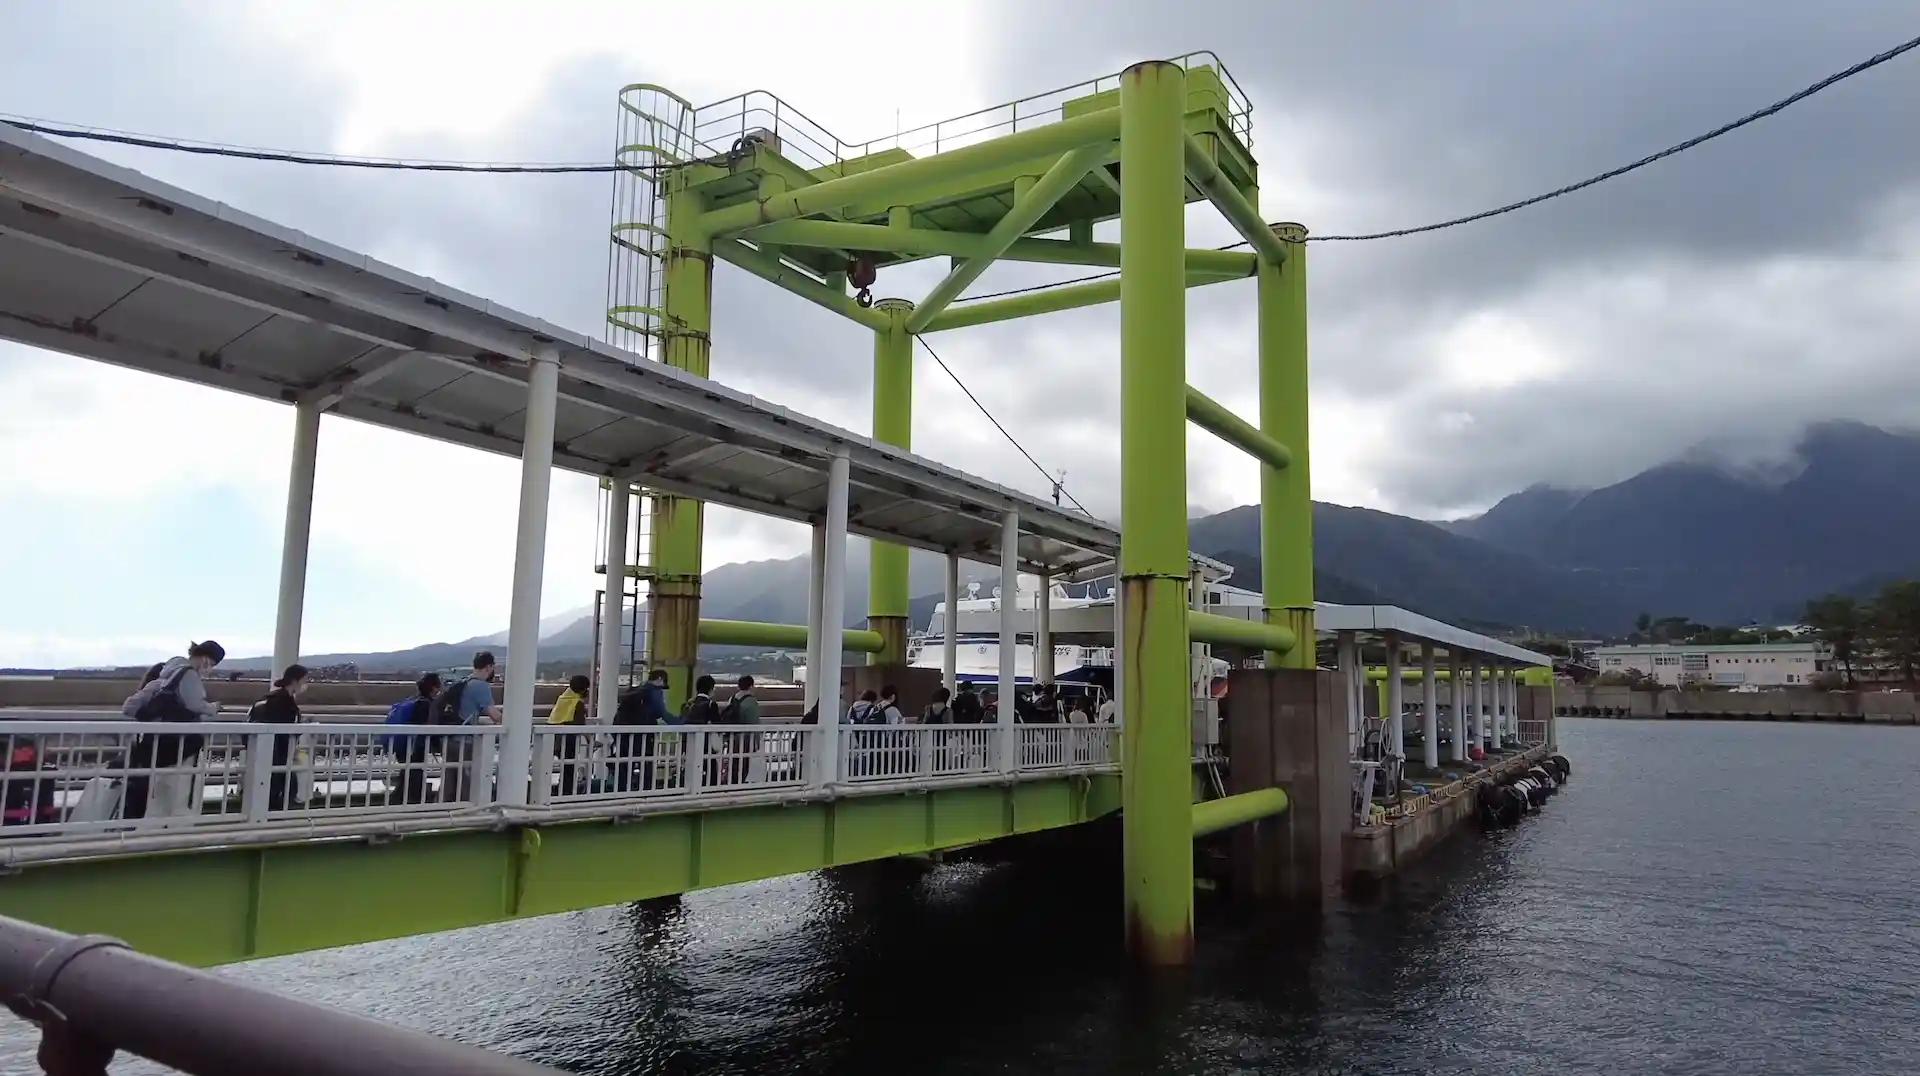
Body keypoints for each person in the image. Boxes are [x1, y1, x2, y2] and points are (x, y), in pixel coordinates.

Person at [121, 640, 226, 820]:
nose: (210, 669)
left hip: (157, 747)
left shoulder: (164, 677)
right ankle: (177, 837)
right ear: (205, 659)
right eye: (213, 664)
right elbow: (195, 705)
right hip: (182, 748)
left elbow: (129, 707)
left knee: (157, 798)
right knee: (180, 798)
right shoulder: (189, 675)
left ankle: (147, 838)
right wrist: (213, 708)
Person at [246, 664, 309, 813]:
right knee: (285, 786)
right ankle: (277, 817)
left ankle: (267, 815)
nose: (306, 685)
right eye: (305, 680)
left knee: (271, 787)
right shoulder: (285, 702)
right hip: (279, 752)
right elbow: (285, 726)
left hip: (264, 751)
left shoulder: (269, 698)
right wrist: (300, 726)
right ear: (295, 681)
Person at [440, 651, 501, 803]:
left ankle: (442, 811)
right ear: (489, 667)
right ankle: (468, 812)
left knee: (450, 779)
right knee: (468, 780)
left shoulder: (464, 683)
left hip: (449, 737)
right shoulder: (481, 686)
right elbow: (494, 715)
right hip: (465, 741)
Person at [613, 669, 672, 792]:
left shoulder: (635, 690)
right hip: (643, 733)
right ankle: (645, 791)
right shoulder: (654, 691)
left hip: (623, 733)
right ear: (660, 679)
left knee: (624, 763)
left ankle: (622, 791)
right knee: (646, 762)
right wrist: (680, 723)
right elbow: (660, 712)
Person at [387, 673, 440, 805]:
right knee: (414, 772)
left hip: (403, 745)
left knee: (407, 773)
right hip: (414, 747)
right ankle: (414, 803)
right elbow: (422, 728)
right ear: (433, 687)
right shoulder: (425, 704)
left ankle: (398, 801)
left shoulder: (414, 700)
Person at [547, 674, 590, 797]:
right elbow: (580, 725)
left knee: (564, 766)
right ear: (583, 689)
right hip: (568, 740)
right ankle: (567, 793)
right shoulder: (578, 703)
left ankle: (558, 791)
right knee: (569, 767)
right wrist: (590, 739)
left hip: (554, 737)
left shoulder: (563, 698)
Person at [721, 676, 762, 785]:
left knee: (732, 763)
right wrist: (757, 742)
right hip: (745, 739)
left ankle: (730, 783)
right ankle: (739, 785)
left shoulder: (732, 698)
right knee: (743, 764)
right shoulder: (751, 701)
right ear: (751, 686)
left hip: (732, 737)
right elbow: (754, 723)